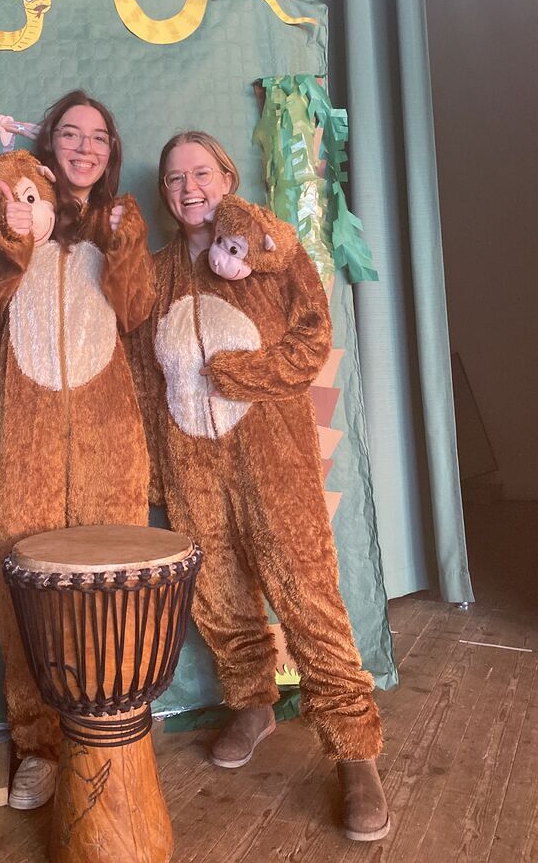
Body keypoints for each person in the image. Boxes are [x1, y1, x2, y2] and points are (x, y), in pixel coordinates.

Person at [127, 130, 389, 841]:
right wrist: (156, 467)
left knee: (307, 594)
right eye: (175, 177)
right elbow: (145, 378)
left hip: (273, 455)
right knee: (216, 594)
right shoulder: (154, 274)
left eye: (201, 173)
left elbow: (311, 336)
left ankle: (355, 750)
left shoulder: (270, 249)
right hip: (190, 460)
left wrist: (242, 374)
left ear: (227, 178)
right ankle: (252, 703)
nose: (189, 188)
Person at [0, 91, 155, 809]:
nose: (84, 147)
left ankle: (115, 732)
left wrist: (124, 247)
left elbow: (136, 312)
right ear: (49, 144)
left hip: (109, 437)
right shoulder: (16, 211)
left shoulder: (121, 221)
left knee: (115, 584)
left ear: (111, 152)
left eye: (98, 137)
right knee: (23, 580)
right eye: (70, 134)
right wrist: (13, 241)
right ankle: (38, 742)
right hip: (25, 437)